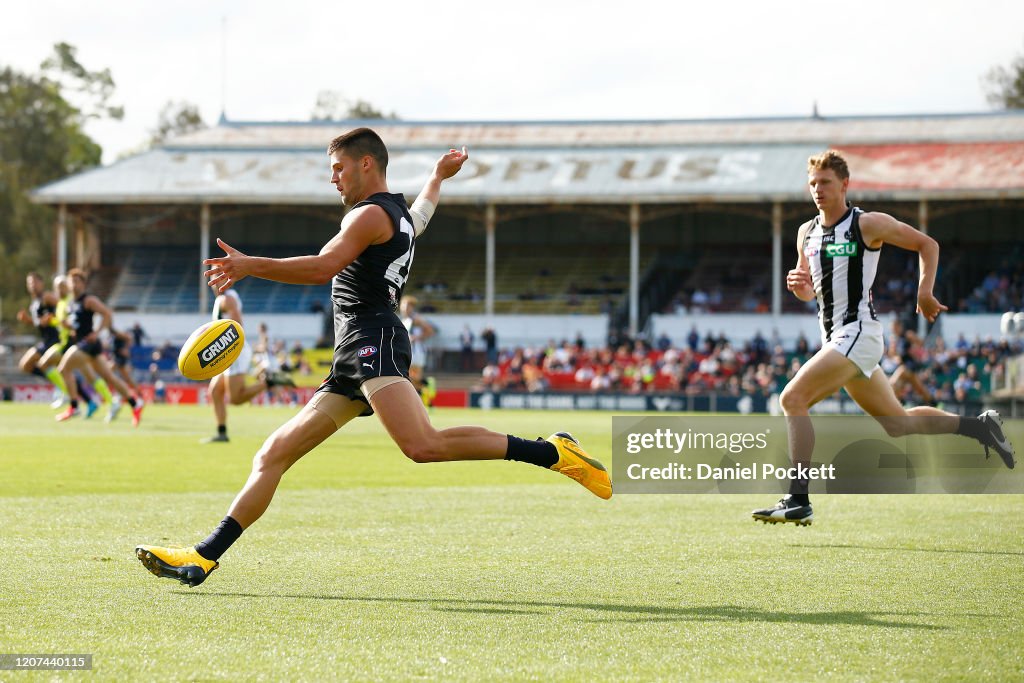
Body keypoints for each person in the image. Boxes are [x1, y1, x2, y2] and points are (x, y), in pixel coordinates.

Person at [136, 128, 611, 587]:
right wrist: (438, 176)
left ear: (367, 163)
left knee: (422, 445)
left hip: (373, 338)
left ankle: (553, 452)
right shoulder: (398, 215)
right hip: (354, 350)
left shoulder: (366, 216)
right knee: (273, 454)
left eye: (338, 168)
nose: (333, 178)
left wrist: (249, 265)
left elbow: (324, 267)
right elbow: (422, 216)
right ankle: (203, 555)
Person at [752, 151, 1014, 526]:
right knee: (898, 424)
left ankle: (798, 499)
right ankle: (980, 427)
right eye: (812, 183)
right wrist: (800, 289)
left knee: (792, 398)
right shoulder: (805, 233)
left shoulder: (867, 224)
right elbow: (811, 290)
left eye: (825, 182)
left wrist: (924, 291)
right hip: (837, 339)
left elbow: (928, 245)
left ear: (844, 184)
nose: (817, 189)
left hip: (859, 332)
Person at [201, 288, 293, 443]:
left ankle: (270, 380)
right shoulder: (223, 298)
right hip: (227, 351)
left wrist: (227, 353)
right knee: (215, 391)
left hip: (233, 351)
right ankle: (222, 433)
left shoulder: (227, 300)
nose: (215, 278)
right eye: (212, 273)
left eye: (218, 273)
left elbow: (237, 328)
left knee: (235, 399)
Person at [55, 268, 145, 426]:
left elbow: (107, 313)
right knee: (109, 378)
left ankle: (74, 406)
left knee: (63, 369)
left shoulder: (88, 300)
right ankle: (134, 403)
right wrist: (66, 326)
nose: (73, 284)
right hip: (86, 344)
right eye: (71, 281)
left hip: (88, 344)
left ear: (83, 284)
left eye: (77, 281)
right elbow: (76, 324)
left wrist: (97, 332)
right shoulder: (72, 303)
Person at [16, 272, 69, 403]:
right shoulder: (34, 303)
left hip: (56, 340)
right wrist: (28, 320)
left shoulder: (47, 297)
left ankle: (65, 390)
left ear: (42, 283)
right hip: (45, 340)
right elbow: (40, 322)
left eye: (35, 282)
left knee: (35, 364)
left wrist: (54, 320)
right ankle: (61, 386)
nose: (32, 285)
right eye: (29, 283)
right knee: (25, 366)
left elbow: (65, 310)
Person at [888, 317, 934, 404]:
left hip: (909, 365)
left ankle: (900, 403)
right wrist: (894, 351)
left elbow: (921, 343)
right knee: (920, 390)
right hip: (903, 367)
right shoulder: (894, 339)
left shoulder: (908, 335)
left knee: (893, 383)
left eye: (894, 328)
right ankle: (934, 403)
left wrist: (916, 350)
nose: (893, 330)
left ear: (899, 326)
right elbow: (892, 355)